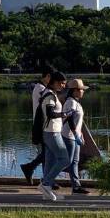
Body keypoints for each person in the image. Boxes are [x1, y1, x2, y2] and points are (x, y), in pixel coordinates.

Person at [37, 72, 68, 201]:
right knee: (64, 159)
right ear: (54, 82)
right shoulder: (49, 95)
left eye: (64, 84)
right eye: (62, 83)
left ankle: (46, 192)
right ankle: (45, 184)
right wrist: (63, 114)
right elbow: (50, 113)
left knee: (49, 163)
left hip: (49, 132)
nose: (63, 86)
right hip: (52, 132)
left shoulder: (50, 93)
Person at [20, 67, 53, 184]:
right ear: (48, 76)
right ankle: (34, 170)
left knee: (46, 152)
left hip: (43, 124)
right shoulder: (41, 89)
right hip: (41, 125)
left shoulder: (41, 88)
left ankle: (43, 176)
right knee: (46, 152)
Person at [61, 78, 90, 195]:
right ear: (74, 90)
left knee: (74, 161)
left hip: (74, 135)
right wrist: (75, 133)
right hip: (68, 136)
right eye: (81, 89)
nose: (83, 91)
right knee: (67, 161)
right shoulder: (70, 102)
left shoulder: (75, 102)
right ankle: (47, 180)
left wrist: (80, 133)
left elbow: (78, 121)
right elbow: (70, 119)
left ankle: (76, 187)